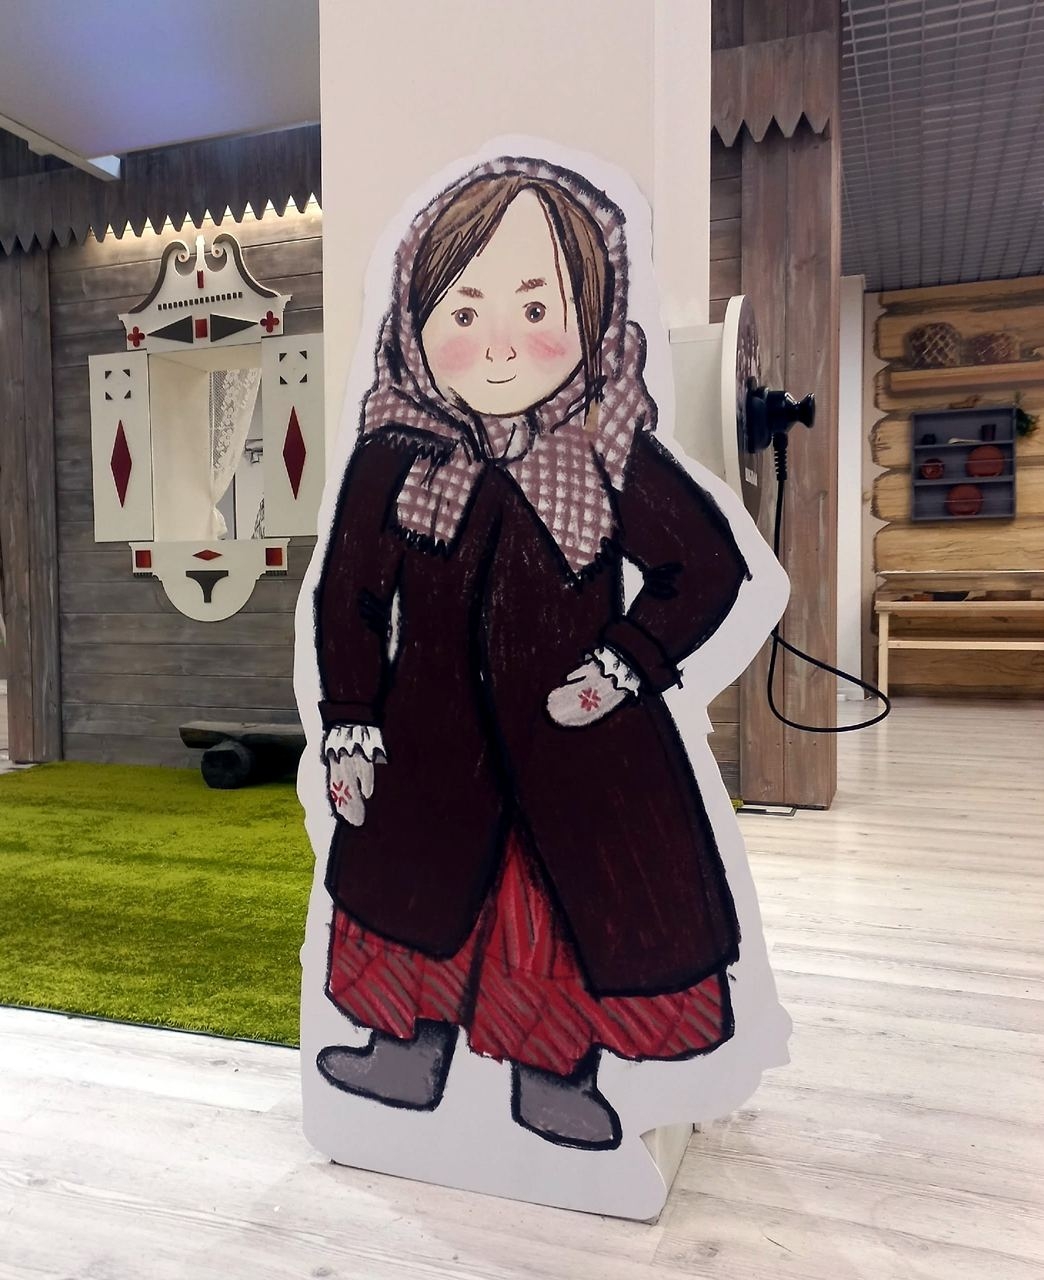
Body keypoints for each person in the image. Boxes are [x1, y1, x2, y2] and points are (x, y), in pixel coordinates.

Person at [313, 157, 751, 1150]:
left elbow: (705, 568)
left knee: (559, 914)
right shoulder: (395, 452)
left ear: (594, 317)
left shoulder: (607, 449)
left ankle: (556, 1071)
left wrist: (628, 661)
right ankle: (404, 1047)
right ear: (415, 318)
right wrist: (350, 720)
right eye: (463, 311)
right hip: (428, 740)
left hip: (579, 750)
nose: (499, 344)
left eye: (535, 307)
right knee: (412, 889)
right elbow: (351, 594)